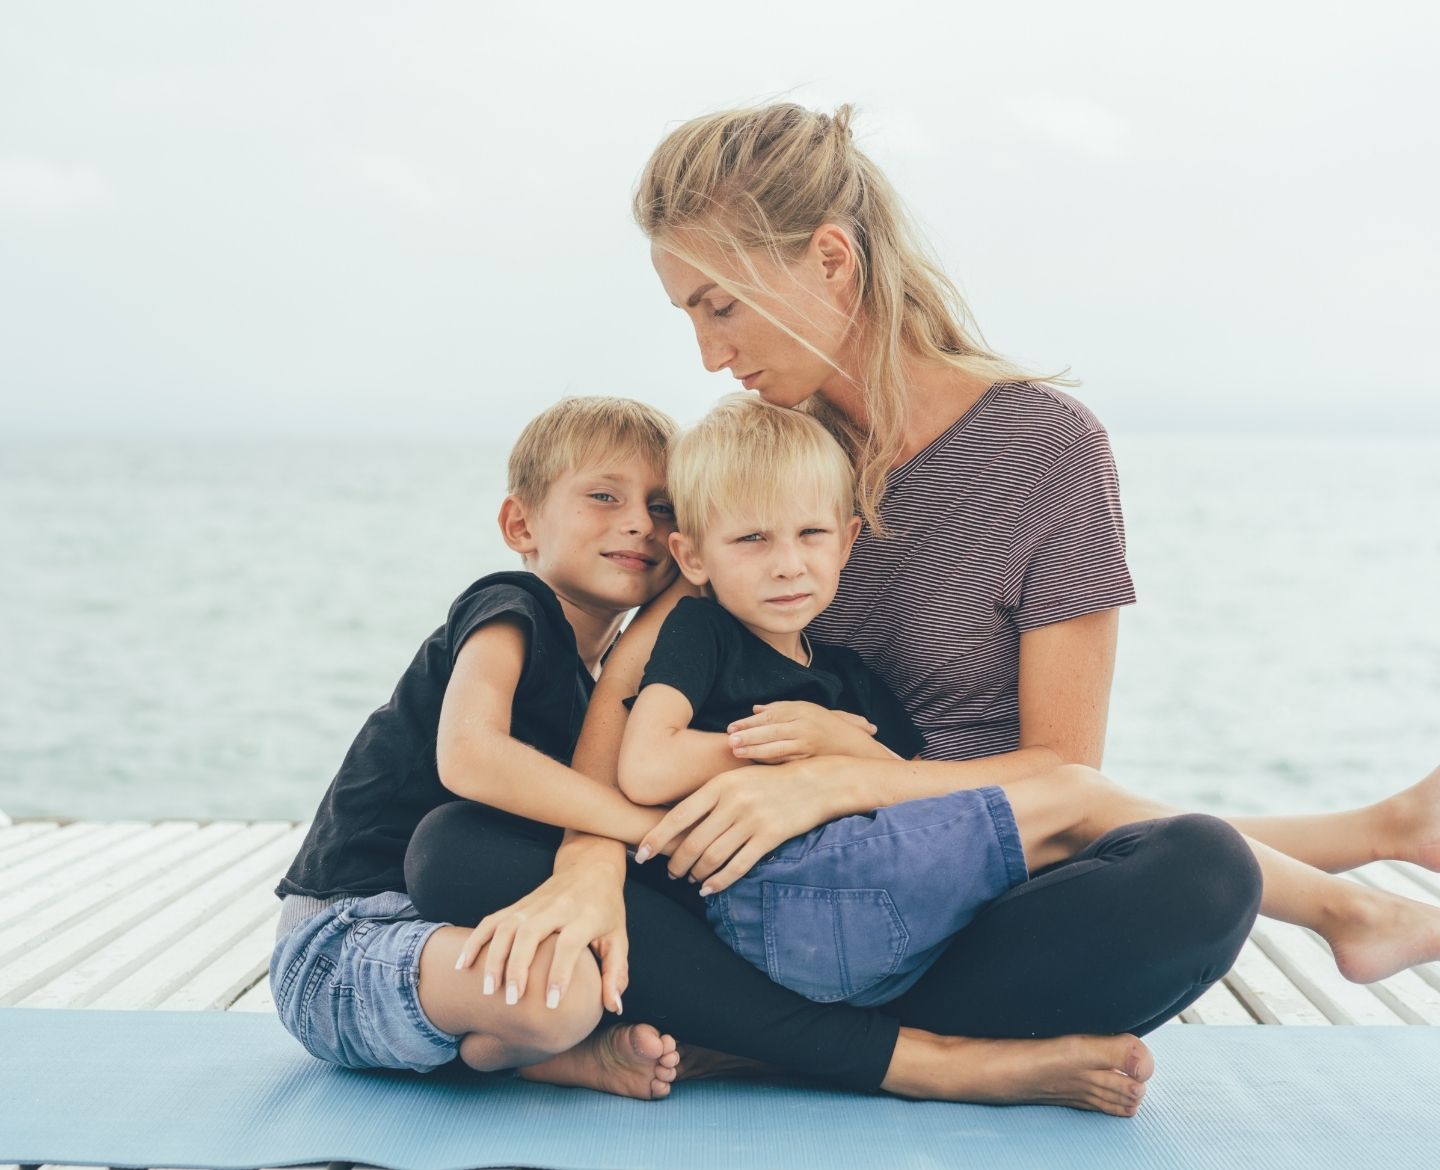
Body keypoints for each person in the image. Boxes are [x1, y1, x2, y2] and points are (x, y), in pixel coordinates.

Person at [404, 102, 1440, 1116]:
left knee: (1199, 879)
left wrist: (835, 783)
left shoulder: (1048, 452)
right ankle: (884, 1054)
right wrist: (589, 868)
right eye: (688, 315)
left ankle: (758, 1043)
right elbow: (637, 675)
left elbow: (1059, 774)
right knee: (457, 846)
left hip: (973, 904)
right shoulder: (764, 458)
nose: (708, 356)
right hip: (753, 901)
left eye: (719, 305)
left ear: (829, 260)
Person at [620, 393, 1440, 1007]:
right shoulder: (702, 633)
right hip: (784, 911)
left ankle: (1374, 844)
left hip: (865, 901)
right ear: (692, 557)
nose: (787, 565)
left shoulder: (844, 675)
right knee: (1076, 798)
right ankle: (1350, 909)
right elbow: (647, 763)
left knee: (1105, 830)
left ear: (849, 540)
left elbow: (911, 783)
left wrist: (841, 744)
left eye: (809, 536)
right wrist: (782, 750)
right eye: (751, 540)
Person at [268, 396, 686, 1099]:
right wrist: (651, 831)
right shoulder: (509, 608)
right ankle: (533, 1045)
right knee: (566, 993)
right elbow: (470, 755)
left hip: (459, 940)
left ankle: (515, 1055)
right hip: (344, 942)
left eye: (664, 506)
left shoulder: (607, 682)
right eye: (604, 496)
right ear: (520, 523)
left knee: (579, 986)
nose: (640, 522)